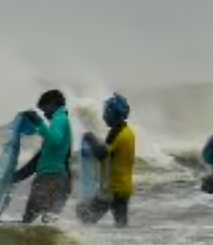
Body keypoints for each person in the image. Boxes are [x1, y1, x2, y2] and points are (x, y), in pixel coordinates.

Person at [13, 89, 73, 223]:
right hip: (55, 178)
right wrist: (16, 177)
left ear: (52, 104)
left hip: (51, 178)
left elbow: (54, 140)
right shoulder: (61, 121)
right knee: (47, 223)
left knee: (29, 222)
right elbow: (41, 158)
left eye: (45, 109)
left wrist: (38, 122)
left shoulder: (60, 119)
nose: (45, 114)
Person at [76, 93, 135, 227]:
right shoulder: (128, 131)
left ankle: (85, 244)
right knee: (121, 224)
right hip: (125, 187)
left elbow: (101, 154)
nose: (104, 116)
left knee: (84, 217)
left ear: (113, 114)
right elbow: (111, 151)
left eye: (106, 112)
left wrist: (90, 138)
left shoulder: (115, 132)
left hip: (112, 190)